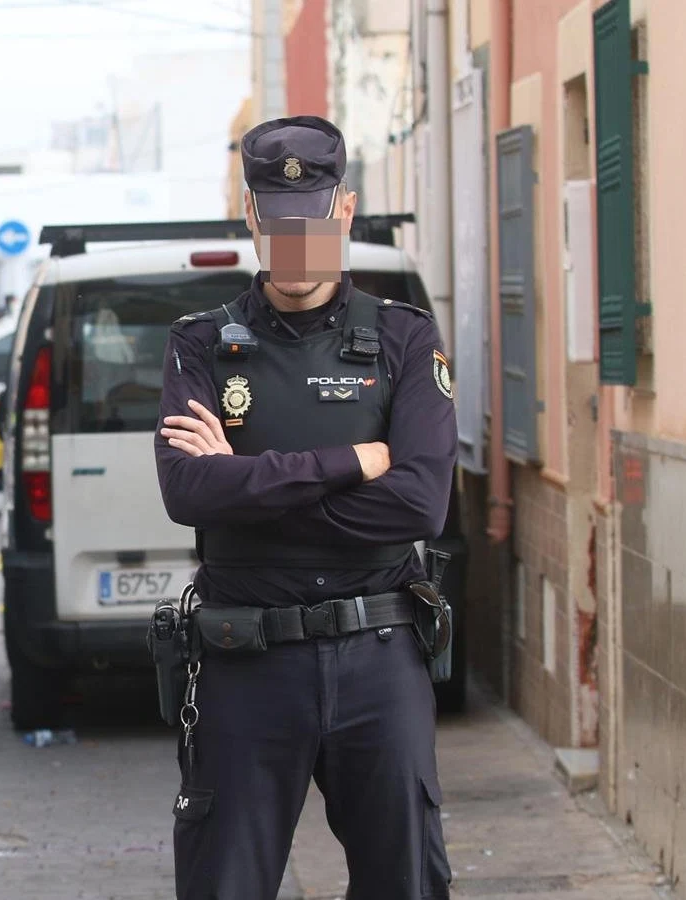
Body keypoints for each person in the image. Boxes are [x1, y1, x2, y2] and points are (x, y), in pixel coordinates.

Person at [153, 115, 456, 899]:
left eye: (312, 223)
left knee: (406, 881)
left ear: (344, 213)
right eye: (278, 223)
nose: (294, 243)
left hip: (380, 656)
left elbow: (421, 503)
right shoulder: (200, 345)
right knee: (226, 882)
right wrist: (347, 463)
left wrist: (247, 491)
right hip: (247, 664)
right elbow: (189, 493)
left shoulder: (404, 340)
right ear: (254, 217)